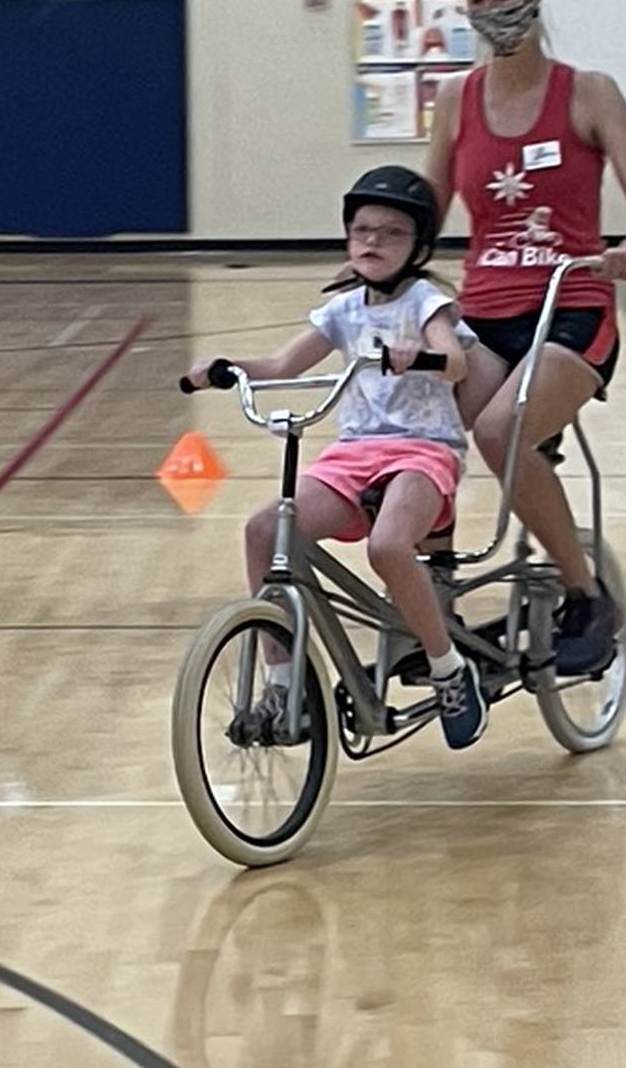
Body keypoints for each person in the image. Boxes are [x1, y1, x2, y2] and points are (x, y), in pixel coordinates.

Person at [427, 0, 626, 674]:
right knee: (416, 413)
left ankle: (585, 592)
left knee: (501, 431)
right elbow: (425, 207)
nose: (489, 9)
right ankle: (433, 595)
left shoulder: (589, 93)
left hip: (572, 310)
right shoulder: (453, 100)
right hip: (485, 313)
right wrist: (374, 259)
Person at [183, 166, 489, 750]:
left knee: (389, 547)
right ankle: (282, 682)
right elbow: (281, 367)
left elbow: (454, 362)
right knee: (265, 529)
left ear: (419, 247)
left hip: (423, 450)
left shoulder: (428, 301)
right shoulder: (345, 309)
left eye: (391, 233)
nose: (372, 242)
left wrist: (417, 354)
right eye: (362, 231)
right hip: (353, 454)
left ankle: (450, 669)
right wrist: (226, 369)